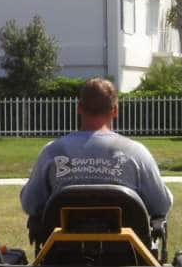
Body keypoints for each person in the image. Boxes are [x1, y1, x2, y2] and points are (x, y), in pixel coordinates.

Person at [20, 77, 172, 237]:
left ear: (79, 108)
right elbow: (161, 205)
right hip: (128, 256)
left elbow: (30, 204)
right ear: (115, 110)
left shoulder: (53, 151)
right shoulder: (136, 153)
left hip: (63, 255)